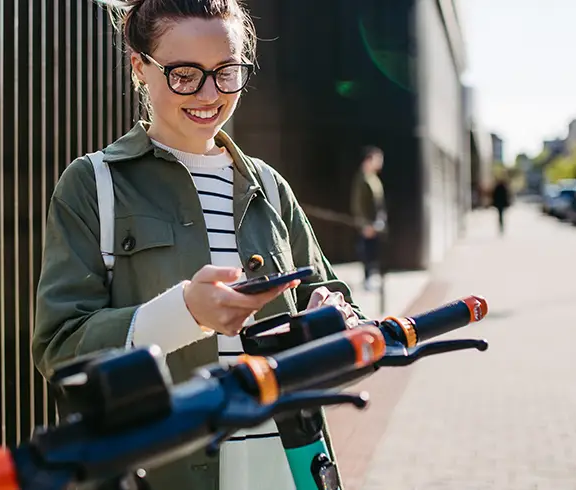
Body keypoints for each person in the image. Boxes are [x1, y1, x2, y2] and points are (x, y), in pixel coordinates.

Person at [32, 1, 365, 489]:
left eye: (226, 72)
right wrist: (186, 313)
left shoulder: (270, 187)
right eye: (184, 74)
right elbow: (60, 349)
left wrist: (333, 318)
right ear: (139, 66)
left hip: (290, 463)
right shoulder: (94, 184)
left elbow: (341, 306)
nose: (210, 94)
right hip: (165, 470)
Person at [350, 146, 387, 290]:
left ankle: (372, 277)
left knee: (374, 251)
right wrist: (365, 224)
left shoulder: (373, 178)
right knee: (367, 251)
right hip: (368, 224)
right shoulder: (362, 178)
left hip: (376, 223)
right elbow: (358, 203)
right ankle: (368, 279)